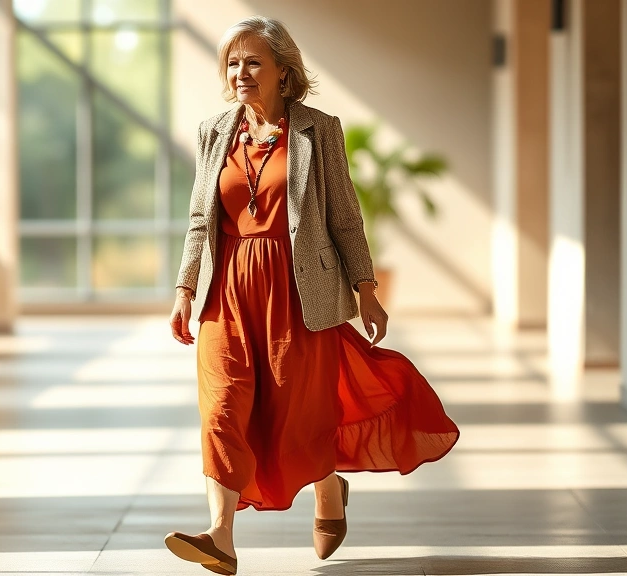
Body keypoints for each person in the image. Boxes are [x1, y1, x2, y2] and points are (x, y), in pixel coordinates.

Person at [163, 15, 460, 575]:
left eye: (253, 61)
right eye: (232, 62)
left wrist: (365, 291)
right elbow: (200, 219)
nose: (240, 73)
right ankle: (221, 536)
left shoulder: (317, 130)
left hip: (298, 291)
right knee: (222, 408)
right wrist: (184, 288)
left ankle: (328, 489)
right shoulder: (214, 131)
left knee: (295, 415)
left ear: (284, 72)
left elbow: (345, 218)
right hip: (227, 289)